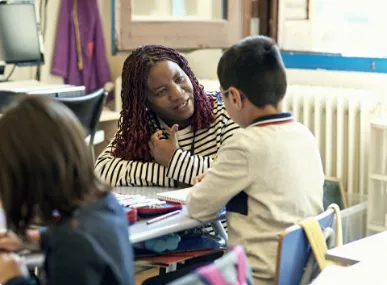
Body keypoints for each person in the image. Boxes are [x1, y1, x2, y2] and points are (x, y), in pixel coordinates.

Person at [186, 35, 324, 285]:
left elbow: (198, 207)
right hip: (302, 273)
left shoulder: (244, 144)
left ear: (236, 97)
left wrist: (214, 180)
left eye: (222, 96)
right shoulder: (304, 134)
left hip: (256, 278)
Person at [0, 96, 134, 285]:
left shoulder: (72, 245)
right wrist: (38, 238)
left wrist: (13, 278)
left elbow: (76, 246)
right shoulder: (103, 204)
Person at [95, 44, 239, 187]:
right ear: (145, 102)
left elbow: (237, 169)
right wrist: (177, 175)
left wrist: (173, 159)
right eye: (161, 92)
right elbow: (102, 170)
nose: (177, 94)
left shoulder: (225, 111)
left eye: (179, 79)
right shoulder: (143, 126)